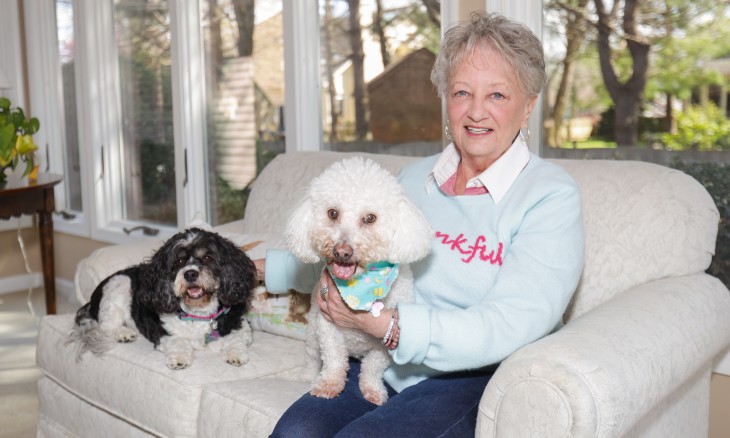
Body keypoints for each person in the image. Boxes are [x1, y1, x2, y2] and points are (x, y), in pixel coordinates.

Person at [258, 11, 584, 437]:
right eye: (462, 92)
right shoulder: (413, 179)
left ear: (529, 106)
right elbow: (355, 256)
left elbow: (512, 321)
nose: (476, 111)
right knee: (294, 433)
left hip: (473, 375)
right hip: (386, 359)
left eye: (498, 95)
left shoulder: (549, 195)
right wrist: (266, 268)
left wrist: (391, 326)